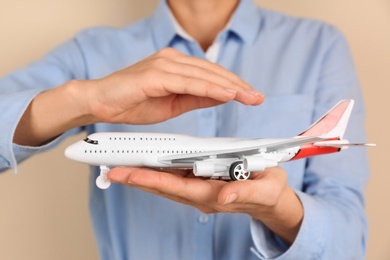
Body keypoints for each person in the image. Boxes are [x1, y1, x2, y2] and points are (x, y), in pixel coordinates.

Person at [0, 0, 369, 259]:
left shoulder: (317, 46)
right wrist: (87, 99)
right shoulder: (91, 51)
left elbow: (350, 244)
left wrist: (279, 210)